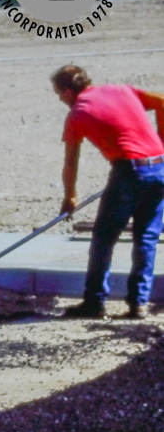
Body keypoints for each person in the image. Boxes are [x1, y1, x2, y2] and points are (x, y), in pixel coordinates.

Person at [54, 64, 164, 319]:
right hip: (159, 169)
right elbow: (162, 101)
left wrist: (70, 195)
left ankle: (94, 302)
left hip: (128, 172)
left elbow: (71, 162)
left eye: (58, 94)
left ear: (68, 90)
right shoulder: (122, 90)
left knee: (104, 238)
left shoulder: (78, 114)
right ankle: (138, 303)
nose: (60, 99)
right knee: (146, 237)